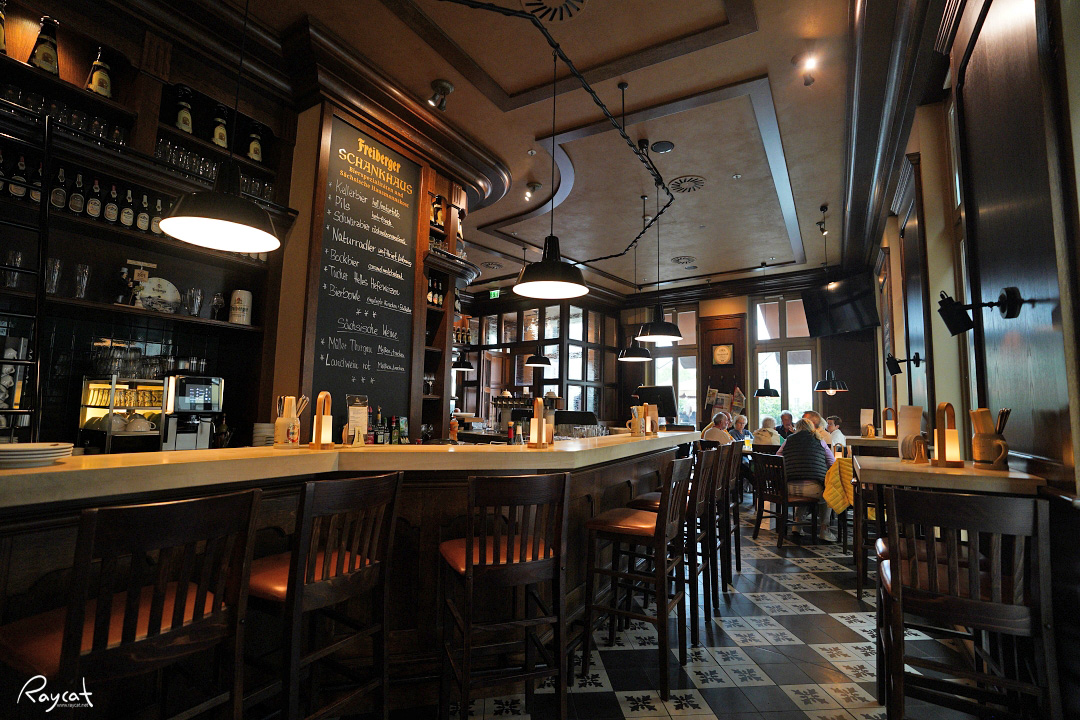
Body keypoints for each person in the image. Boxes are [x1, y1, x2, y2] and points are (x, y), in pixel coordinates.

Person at [776, 418, 837, 541]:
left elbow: (778, 457)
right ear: (812, 428)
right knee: (828, 492)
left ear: (797, 428)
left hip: (788, 488)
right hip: (813, 489)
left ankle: (797, 525)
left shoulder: (789, 440)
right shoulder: (819, 440)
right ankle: (824, 529)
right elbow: (832, 463)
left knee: (803, 488)